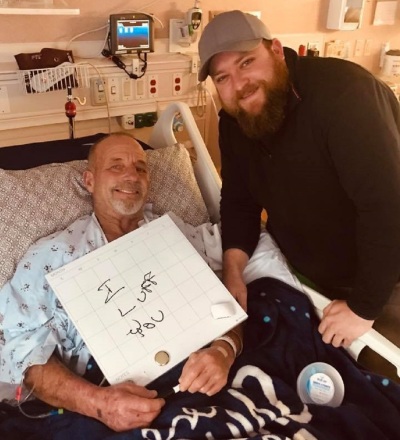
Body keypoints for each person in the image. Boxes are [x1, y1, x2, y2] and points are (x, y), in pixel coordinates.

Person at [198, 10, 400, 379]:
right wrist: (234, 272)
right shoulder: (234, 122)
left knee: (383, 379)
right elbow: (240, 202)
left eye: (247, 62)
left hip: (383, 273)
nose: (239, 84)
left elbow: (387, 207)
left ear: (276, 50)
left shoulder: (344, 95)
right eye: (222, 77)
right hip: (303, 273)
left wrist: (364, 307)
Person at [0, 133, 243, 432]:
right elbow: (23, 352)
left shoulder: (176, 233)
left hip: (197, 383)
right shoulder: (53, 255)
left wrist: (224, 350)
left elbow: (227, 291)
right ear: (89, 181)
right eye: (116, 166)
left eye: (141, 168)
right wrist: (99, 404)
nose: (131, 176)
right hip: (102, 397)